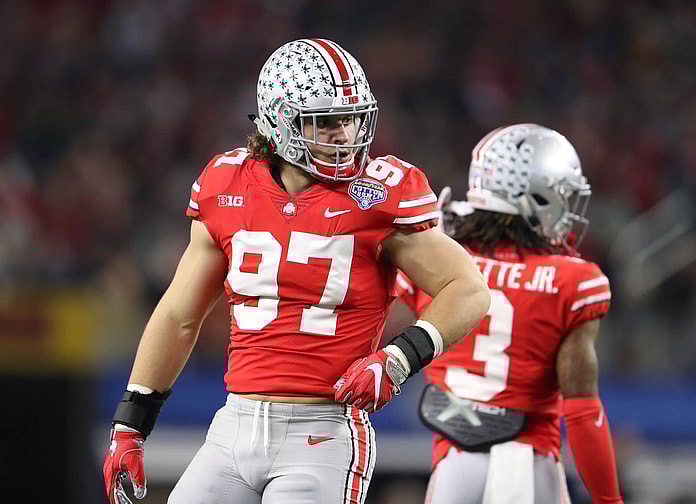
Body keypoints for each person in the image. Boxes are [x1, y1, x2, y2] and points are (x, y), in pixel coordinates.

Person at [102, 38, 490, 504]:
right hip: (233, 426)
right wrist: (130, 424)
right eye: (325, 122)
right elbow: (179, 315)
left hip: (324, 433)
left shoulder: (379, 195)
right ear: (279, 122)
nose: (344, 135)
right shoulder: (227, 183)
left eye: (350, 119)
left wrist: (398, 359)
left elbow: (468, 289)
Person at [396, 124, 623, 504]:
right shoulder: (574, 280)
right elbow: (583, 413)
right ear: (536, 197)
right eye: (561, 194)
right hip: (531, 466)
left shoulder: (437, 256)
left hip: (453, 467)